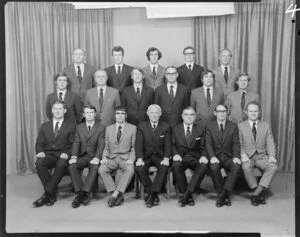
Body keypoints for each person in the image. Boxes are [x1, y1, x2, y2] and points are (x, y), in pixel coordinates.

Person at [33, 101, 76, 207]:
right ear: (52, 110)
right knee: (39, 163)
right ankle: (51, 192)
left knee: (61, 164)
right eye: (55, 108)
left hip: (62, 154)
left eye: (60, 109)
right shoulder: (45, 126)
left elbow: (73, 143)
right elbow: (39, 143)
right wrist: (40, 152)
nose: (57, 111)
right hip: (48, 154)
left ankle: (47, 194)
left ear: (65, 111)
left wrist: (67, 153)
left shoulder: (71, 126)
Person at [238, 101, 278, 206]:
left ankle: (255, 194)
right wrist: (243, 155)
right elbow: (239, 144)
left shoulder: (266, 126)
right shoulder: (240, 126)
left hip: (262, 157)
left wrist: (272, 156)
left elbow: (270, 143)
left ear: (259, 112)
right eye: (251, 111)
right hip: (248, 157)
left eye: (256, 111)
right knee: (246, 167)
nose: (253, 113)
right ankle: (259, 191)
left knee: (273, 167)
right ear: (246, 112)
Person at [68, 105, 105, 208]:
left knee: (94, 167)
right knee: (72, 166)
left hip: (94, 156)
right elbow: (76, 142)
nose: (89, 115)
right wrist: (74, 156)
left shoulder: (101, 127)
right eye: (87, 113)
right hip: (83, 156)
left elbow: (101, 144)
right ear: (84, 115)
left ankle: (81, 194)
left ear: (95, 114)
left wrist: (97, 157)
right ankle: (82, 193)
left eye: (91, 112)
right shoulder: (79, 127)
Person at [98, 107, 136, 207]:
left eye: (122, 113)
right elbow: (106, 146)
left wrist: (131, 159)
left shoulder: (132, 128)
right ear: (114, 115)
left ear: (126, 115)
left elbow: (134, 147)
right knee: (102, 169)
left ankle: (114, 195)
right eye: (118, 113)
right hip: (112, 158)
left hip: (125, 158)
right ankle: (118, 194)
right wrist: (105, 157)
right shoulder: (108, 128)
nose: (120, 115)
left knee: (130, 170)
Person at [135, 104, 171, 208]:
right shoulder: (141, 126)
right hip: (146, 156)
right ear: (148, 113)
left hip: (160, 156)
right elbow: (138, 144)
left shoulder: (166, 126)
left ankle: (151, 194)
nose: (154, 115)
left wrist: (166, 158)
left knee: (164, 167)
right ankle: (153, 192)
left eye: (156, 113)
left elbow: (168, 144)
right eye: (152, 112)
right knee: (139, 168)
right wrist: (140, 159)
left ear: (160, 114)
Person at [205, 104, 241, 208]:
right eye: (219, 111)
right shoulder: (209, 125)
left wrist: (236, 157)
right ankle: (223, 194)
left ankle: (223, 194)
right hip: (215, 156)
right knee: (213, 167)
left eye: (224, 111)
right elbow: (208, 143)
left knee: (237, 166)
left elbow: (235, 143)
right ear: (215, 113)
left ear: (227, 113)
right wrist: (211, 157)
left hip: (228, 157)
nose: (222, 113)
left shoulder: (233, 126)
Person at [171, 107, 208, 207]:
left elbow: (203, 146)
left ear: (195, 117)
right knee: (175, 166)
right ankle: (188, 195)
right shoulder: (175, 128)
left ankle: (186, 193)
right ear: (182, 116)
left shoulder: (201, 128)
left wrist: (204, 156)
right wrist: (175, 154)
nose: (189, 117)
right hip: (181, 157)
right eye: (186, 115)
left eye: (191, 115)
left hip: (195, 157)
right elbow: (172, 145)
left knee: (204, 166)